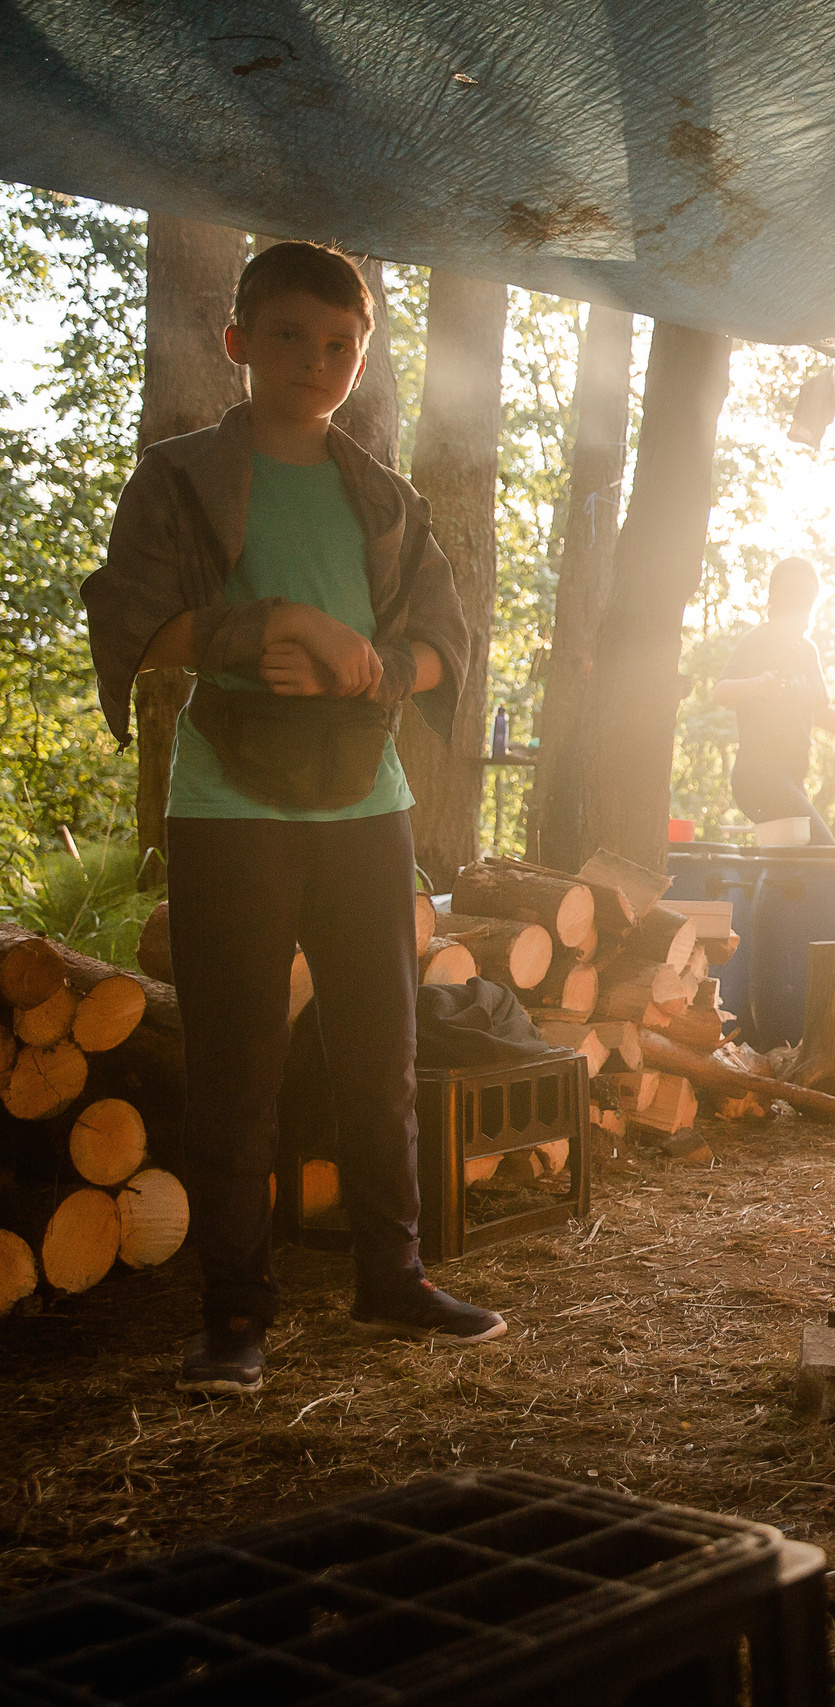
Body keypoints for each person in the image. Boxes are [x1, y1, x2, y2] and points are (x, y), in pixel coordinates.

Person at [83, 241, 503, 1396]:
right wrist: (249, 633)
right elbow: (129, 620)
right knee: (236, 1067)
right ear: (239, 344)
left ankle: (393, 1277)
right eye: (288, 339)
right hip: (229, 805)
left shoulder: (388, 497)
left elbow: (442, 648)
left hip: (369, 807)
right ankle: (233, 1314)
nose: (315, 363)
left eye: (339, 345)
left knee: (381, 1054)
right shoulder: (179, 478)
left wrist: (375, 670)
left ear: (361, 357)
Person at [712, 556, 835, 842]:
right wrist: (757, 685)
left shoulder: (807, 651)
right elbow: (720, 693)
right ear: (773, 596)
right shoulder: (758, 640)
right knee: (823, 853)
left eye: (806, 594)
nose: (798, 600)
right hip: (759, 779)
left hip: (792, 781)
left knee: (794, 871)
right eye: (789, 591)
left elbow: (822, 712)